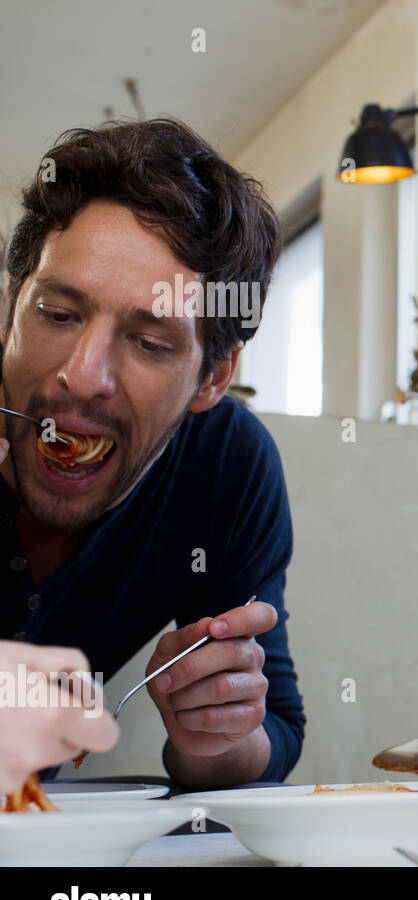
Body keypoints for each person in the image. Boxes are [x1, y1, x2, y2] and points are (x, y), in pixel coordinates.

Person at [0, 118, 304, 789]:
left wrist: (214, 733)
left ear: (214, 378)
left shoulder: (223, 466)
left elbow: (272, 733)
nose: (84, 375)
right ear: (7, 311)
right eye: (57, 313)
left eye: (149, 341)